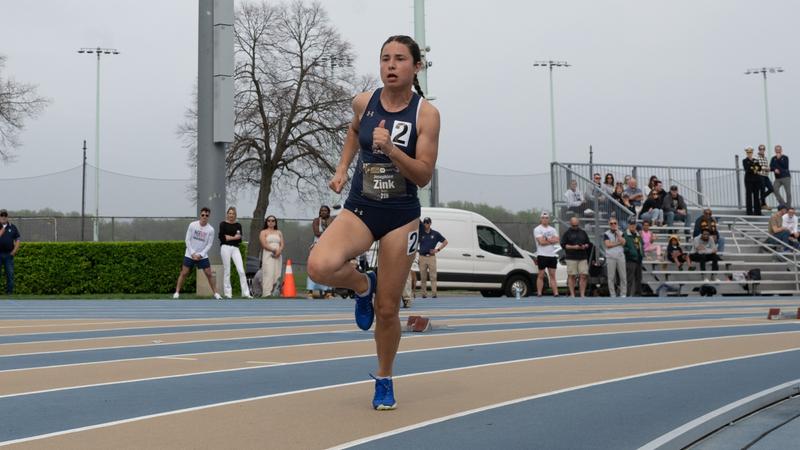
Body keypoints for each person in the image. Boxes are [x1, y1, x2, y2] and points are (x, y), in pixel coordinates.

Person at [306, 35, 440, 411]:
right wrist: (342, 167)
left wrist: (392, 149)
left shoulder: (425, 114)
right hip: (361, 206)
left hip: (401, 216)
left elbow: (424, 175)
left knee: (387, 310)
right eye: (385, 58)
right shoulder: (364, 102)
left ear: (416, 67)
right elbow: (353, 131)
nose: (391, 65)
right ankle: (363, 284)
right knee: (320, 264)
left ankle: (384, 377)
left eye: (400, 59)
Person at [173, 207, 223, 300]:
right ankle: (176, 292)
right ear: (200, 215)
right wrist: (192, 253)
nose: (204, 217)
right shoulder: (192, 225)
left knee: (209, 273)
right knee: (184, 273)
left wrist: (201, 254)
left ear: (209, 217)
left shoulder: (211, 229)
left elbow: (209, 244)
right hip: (189, 254)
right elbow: (187, 240)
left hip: (202, 256)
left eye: (206, 215)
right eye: (203, 215)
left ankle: (216, 293)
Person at [217, 207, 252, 299]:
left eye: (233, 213)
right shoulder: (223, 224)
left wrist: (230, 237)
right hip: (225, 248)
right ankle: (228, 293)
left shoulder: (238, 225)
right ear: (227, 214)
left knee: (241, 270)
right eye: (230, 213)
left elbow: (239, 238)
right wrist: (234, 237)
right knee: (227, 270)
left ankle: (246, 293)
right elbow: (222, 237)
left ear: (235, 215)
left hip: (235, 248)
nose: (231, 215)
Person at [306, 206, 334, 299]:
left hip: (329, 246)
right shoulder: (316, 220)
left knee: (328, 269)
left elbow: (334, 232)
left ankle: (328, 292)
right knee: (314, 267)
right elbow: (317, 233)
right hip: (317, 245)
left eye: (325, 210)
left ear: (328, 212)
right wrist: (328, 232)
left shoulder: (332, 220)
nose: (323, 212)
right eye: (321, 210)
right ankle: (310, 291)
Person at [560, 216, 590, 298]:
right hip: (571, 257)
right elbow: (563, 245)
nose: (575, 227)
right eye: (573, 225)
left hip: (582, 257)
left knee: (583, 275)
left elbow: (588, 243)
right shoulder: (567, 233)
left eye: (576, 225)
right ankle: (572, 295)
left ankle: (582, 295)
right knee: (571, 276)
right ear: (570, 224)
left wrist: (584, 246)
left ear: (578, 224)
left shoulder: (583, 232)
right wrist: (574, 247)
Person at [417, 217, 447, 298]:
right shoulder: (420, 233)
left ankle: (434, 293)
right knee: (423, 277)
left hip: (431, 257)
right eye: (425, 223)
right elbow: (415, 242)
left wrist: (438, 249)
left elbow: (445, 242)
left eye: (427, 223)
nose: (426, 224)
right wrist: (417, 250)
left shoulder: (435, 234)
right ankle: (424, 294)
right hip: (422, 257)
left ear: (430, 223)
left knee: (433, 276)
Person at [533, 212, 560, 297]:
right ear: (541, 219)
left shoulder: (552, 229)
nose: (545, 219)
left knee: (552, 275)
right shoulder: (537, 229)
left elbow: (557, 240)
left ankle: (555, 293)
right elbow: (541, 242)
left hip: (552, 255)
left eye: (547, 218)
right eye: (543, 218)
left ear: (549, 219)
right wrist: (550, 240)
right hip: (542, 255)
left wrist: (546, 239)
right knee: (541, 274)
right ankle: (539, 293)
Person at [259, 215, 284, 297]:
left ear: (275, 222)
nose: (271, 222)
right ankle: (267, 293)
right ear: (266, 222)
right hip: (268, 255)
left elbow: (282, 244)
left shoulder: (279, 232)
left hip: (278, 255)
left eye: (273, 220)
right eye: (269, 220)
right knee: (268, 273)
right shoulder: (263, 232)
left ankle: (275, 292)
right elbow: (264, 244)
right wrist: (273, 250)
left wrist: (279, 251)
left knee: (277, 273)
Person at [603, 217, 627, 298]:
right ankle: (612, 294)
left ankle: (623, 294)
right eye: (611, 223)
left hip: (620, 257)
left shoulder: (621, 232)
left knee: (623, 276)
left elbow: (623, 243)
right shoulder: (606, 234)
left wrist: (618, 234)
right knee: (611, 277)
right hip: (610, 257)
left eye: (615, 223)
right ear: (609, 224)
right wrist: (618, 243)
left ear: (617, 224)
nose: (613, 225)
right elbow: (608, 245)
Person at [0, 209, 21, 295]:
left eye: (5, 215)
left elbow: (18, 239)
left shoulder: (13, 227)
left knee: (10, 274)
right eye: (2, 215)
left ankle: (9, 293)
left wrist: (14, 251)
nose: (3, 217)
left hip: (9, 255)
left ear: (7, 217)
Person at [623, 220, 644, 296]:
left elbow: (641, 245)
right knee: (629, 279)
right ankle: (627, 294)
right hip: (630, 259)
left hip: (639, 259)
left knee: (639, 278)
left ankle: (638, 294)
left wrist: (642, 254)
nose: (633, 226)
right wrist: (630, 251)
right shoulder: (625, 235)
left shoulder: (638, 235)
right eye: (631, 224)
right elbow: (623, 247)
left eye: (634, 224)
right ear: (628, 225)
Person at [742, 147, 762, 216]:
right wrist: (754, 168)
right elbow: (747, 169)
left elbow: (759, 168)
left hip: (756, 180)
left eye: (750, 152)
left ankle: (757, 212)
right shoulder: (744, 160)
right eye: (748, 153)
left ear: (752, 153)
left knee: (756, 196)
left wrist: (752, 167)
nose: (749, 154)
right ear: (746, 153)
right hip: (748, 180)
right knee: (749, 196)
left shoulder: (755, 160)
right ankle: (749, 212)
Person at [756, 144, 773, 210]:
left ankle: (760, 199)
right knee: (762, 190)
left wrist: (768, 168)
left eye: (763, 149)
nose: (762, 150)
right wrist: (765, 168)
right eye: (761, 149)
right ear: (759, 150)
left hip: (766, 176)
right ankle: (763, 204)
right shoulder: (756, 157)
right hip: (760, 175)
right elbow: (757, 167)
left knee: (771, 189)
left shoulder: (765, 158)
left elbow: (766, 166)